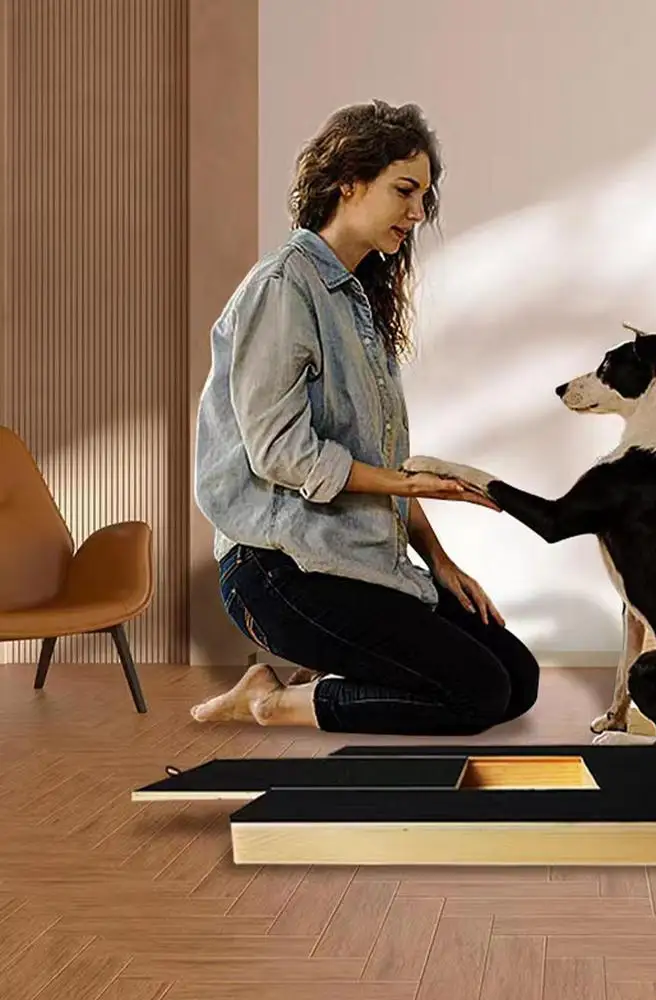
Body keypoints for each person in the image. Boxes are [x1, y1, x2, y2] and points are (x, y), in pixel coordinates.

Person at [190, 100, 539, 735]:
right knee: (479, 693)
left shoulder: (359, 302)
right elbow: (280, 453)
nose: (417, 212)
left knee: (517, 678)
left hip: (355, 558)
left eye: (423, 198)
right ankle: (268, 701)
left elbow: (381, 461)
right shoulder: (282, 286)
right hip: (276, 567)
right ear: (348, 182)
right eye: (404, 190)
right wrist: (405, 485)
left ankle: (326, 676)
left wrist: (439, 561)